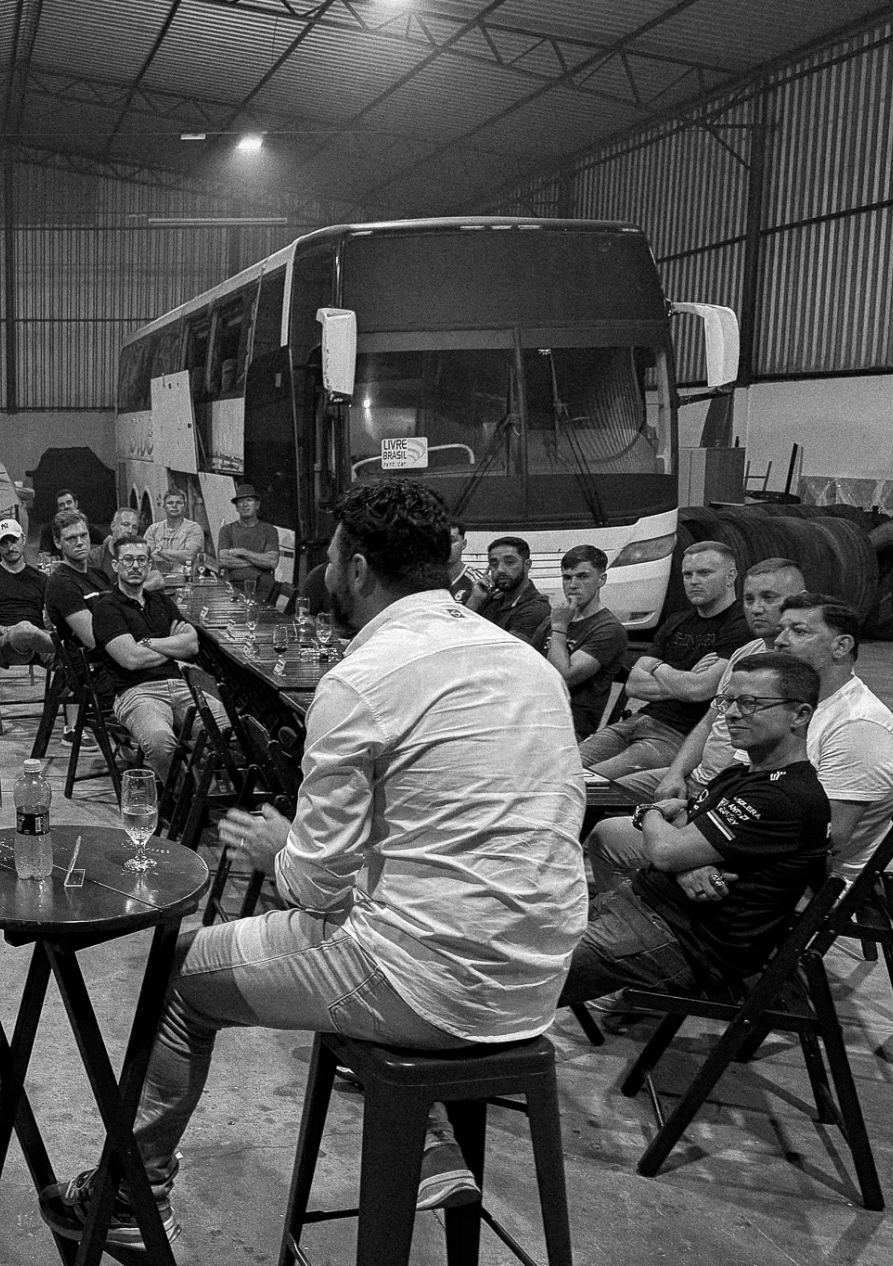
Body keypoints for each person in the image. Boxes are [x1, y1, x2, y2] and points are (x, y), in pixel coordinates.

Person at [38, 480, 587, 1249]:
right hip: (538, 978)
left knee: (176, 976)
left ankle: (135, 1194)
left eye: (330, 558)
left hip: (429, 984)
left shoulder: (363, 677)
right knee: (364, 909)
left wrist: (280, 849)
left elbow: (315, 885)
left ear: (356, 569)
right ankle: (430, 1135)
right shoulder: (527, 664)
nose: (325, 572)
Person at [562, 653, 830, 1007]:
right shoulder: (740, 773)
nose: (731, 713)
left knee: (510, 977)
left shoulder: (787, 797)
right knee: (508, 935)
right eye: (728, 701)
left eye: (750, 703)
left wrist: (651, 813)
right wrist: (687, 863)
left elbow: (665, 849)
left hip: (681, 941)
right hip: (642, 905)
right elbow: (683, 825)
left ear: (800, 714)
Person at [620, 558, 806, 800]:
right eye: (749, 599)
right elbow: (709, 722)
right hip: (695, 776)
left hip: (731, 789)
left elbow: (697, 690)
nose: (756, 609)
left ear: (800, 600)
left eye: (769, 598)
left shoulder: (802, 669)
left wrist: (657, 667)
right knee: (597, 791)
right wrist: (675, 774)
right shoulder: (745, 652)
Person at [765, 593, 893, 877]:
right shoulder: (788, 704)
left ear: (841, 646)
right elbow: (735, 779)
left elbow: (826, 839)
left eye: (799, 631)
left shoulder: (860, 727)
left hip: (808, 882)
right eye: (781, 629)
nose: (780, 640)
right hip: (756, 848)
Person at [578, 542, 750, 780]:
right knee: (562, 768)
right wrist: (686, 679)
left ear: (730, 576)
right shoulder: (676, 621)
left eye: (704, 573)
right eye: (687, 575)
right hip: (638, 720)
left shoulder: (741, 625)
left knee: (589, 781)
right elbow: (633, 685)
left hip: (677, 735)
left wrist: (659, 667)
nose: (694, 581)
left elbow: (700, 690)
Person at [92, 536, 222, 779]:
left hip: (180, 685)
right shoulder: (106, 608)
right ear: (116, 565)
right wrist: (172, 645)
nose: (135, 566)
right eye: (128, 559)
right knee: (159, 742)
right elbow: (131, 659)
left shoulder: (161, 601)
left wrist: (148, 643)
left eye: (141, 560)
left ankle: (208, 789)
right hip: (136, 692)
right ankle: (181, 796)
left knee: (226, 730)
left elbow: (191, 644)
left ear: (149, 564)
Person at [532, 545, 628, 739]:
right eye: (567, 577)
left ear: (601, 580)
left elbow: (564, 677)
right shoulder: (552, 619)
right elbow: (527, 663)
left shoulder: (609, 629)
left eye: (582, 576)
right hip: (536, 708)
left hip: (571, 722)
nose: (573, 585)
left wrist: (560, 627)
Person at [0, 519, 54, 666]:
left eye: (14, 541)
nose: (10, 547)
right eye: (4, 543)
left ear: (23, 540)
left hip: (38, 642)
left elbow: (54, 615)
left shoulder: (41, 579)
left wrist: (50, 638)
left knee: (73, 650)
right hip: (3, 644)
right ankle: (52, 646)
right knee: (24, 629)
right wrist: (3, 629)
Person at [43, 509, 114, 650]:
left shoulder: (99, 574)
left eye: (83, 535)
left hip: (120, 647)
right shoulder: (61, 583)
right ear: (57, 542)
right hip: (93, 659)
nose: (80, 543)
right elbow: (93, 639)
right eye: (71, 538)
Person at [464, 535, 550, 643]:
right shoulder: (490, 600)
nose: (500, 569)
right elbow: (459, 634)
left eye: (509, 562)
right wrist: (474, 601)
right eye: (494, 563)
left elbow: (506, 649)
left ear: (527, 565)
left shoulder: (536, 608)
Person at [215, 483, 280, 589]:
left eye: (249, 500)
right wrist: (257, 562)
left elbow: (272, 562)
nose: (245, 504)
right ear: (236, 507)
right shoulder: (226, 530)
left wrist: (242, 552)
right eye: (241, 501)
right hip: (232, 587)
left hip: (262, 588)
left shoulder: (269, 530)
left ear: (257, 505)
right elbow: (223, 560)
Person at [144, 489, 206, 583]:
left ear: (185, 507)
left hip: (185, 582)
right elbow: (147, 556)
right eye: (170, 503)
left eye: (179, 503)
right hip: (155, 582)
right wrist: (179, 556)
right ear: (164, 506)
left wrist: (159, 550)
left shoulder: (194, 528)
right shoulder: (153, 529)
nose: (174, 506)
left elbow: (189, 556)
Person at [37, 489, 104, 557]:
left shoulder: (84, 525)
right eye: (61, 505)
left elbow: (108, 541)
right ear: (58, 509)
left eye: (69, 502)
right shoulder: (48, 529)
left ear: (76, 504)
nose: (66, 506)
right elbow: (43, 556)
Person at [446, 521, 476, 602]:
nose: (445, 546)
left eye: (451, 541)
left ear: (464, 544)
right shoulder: (424, 581)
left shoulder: (475, 581)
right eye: (440, 541)